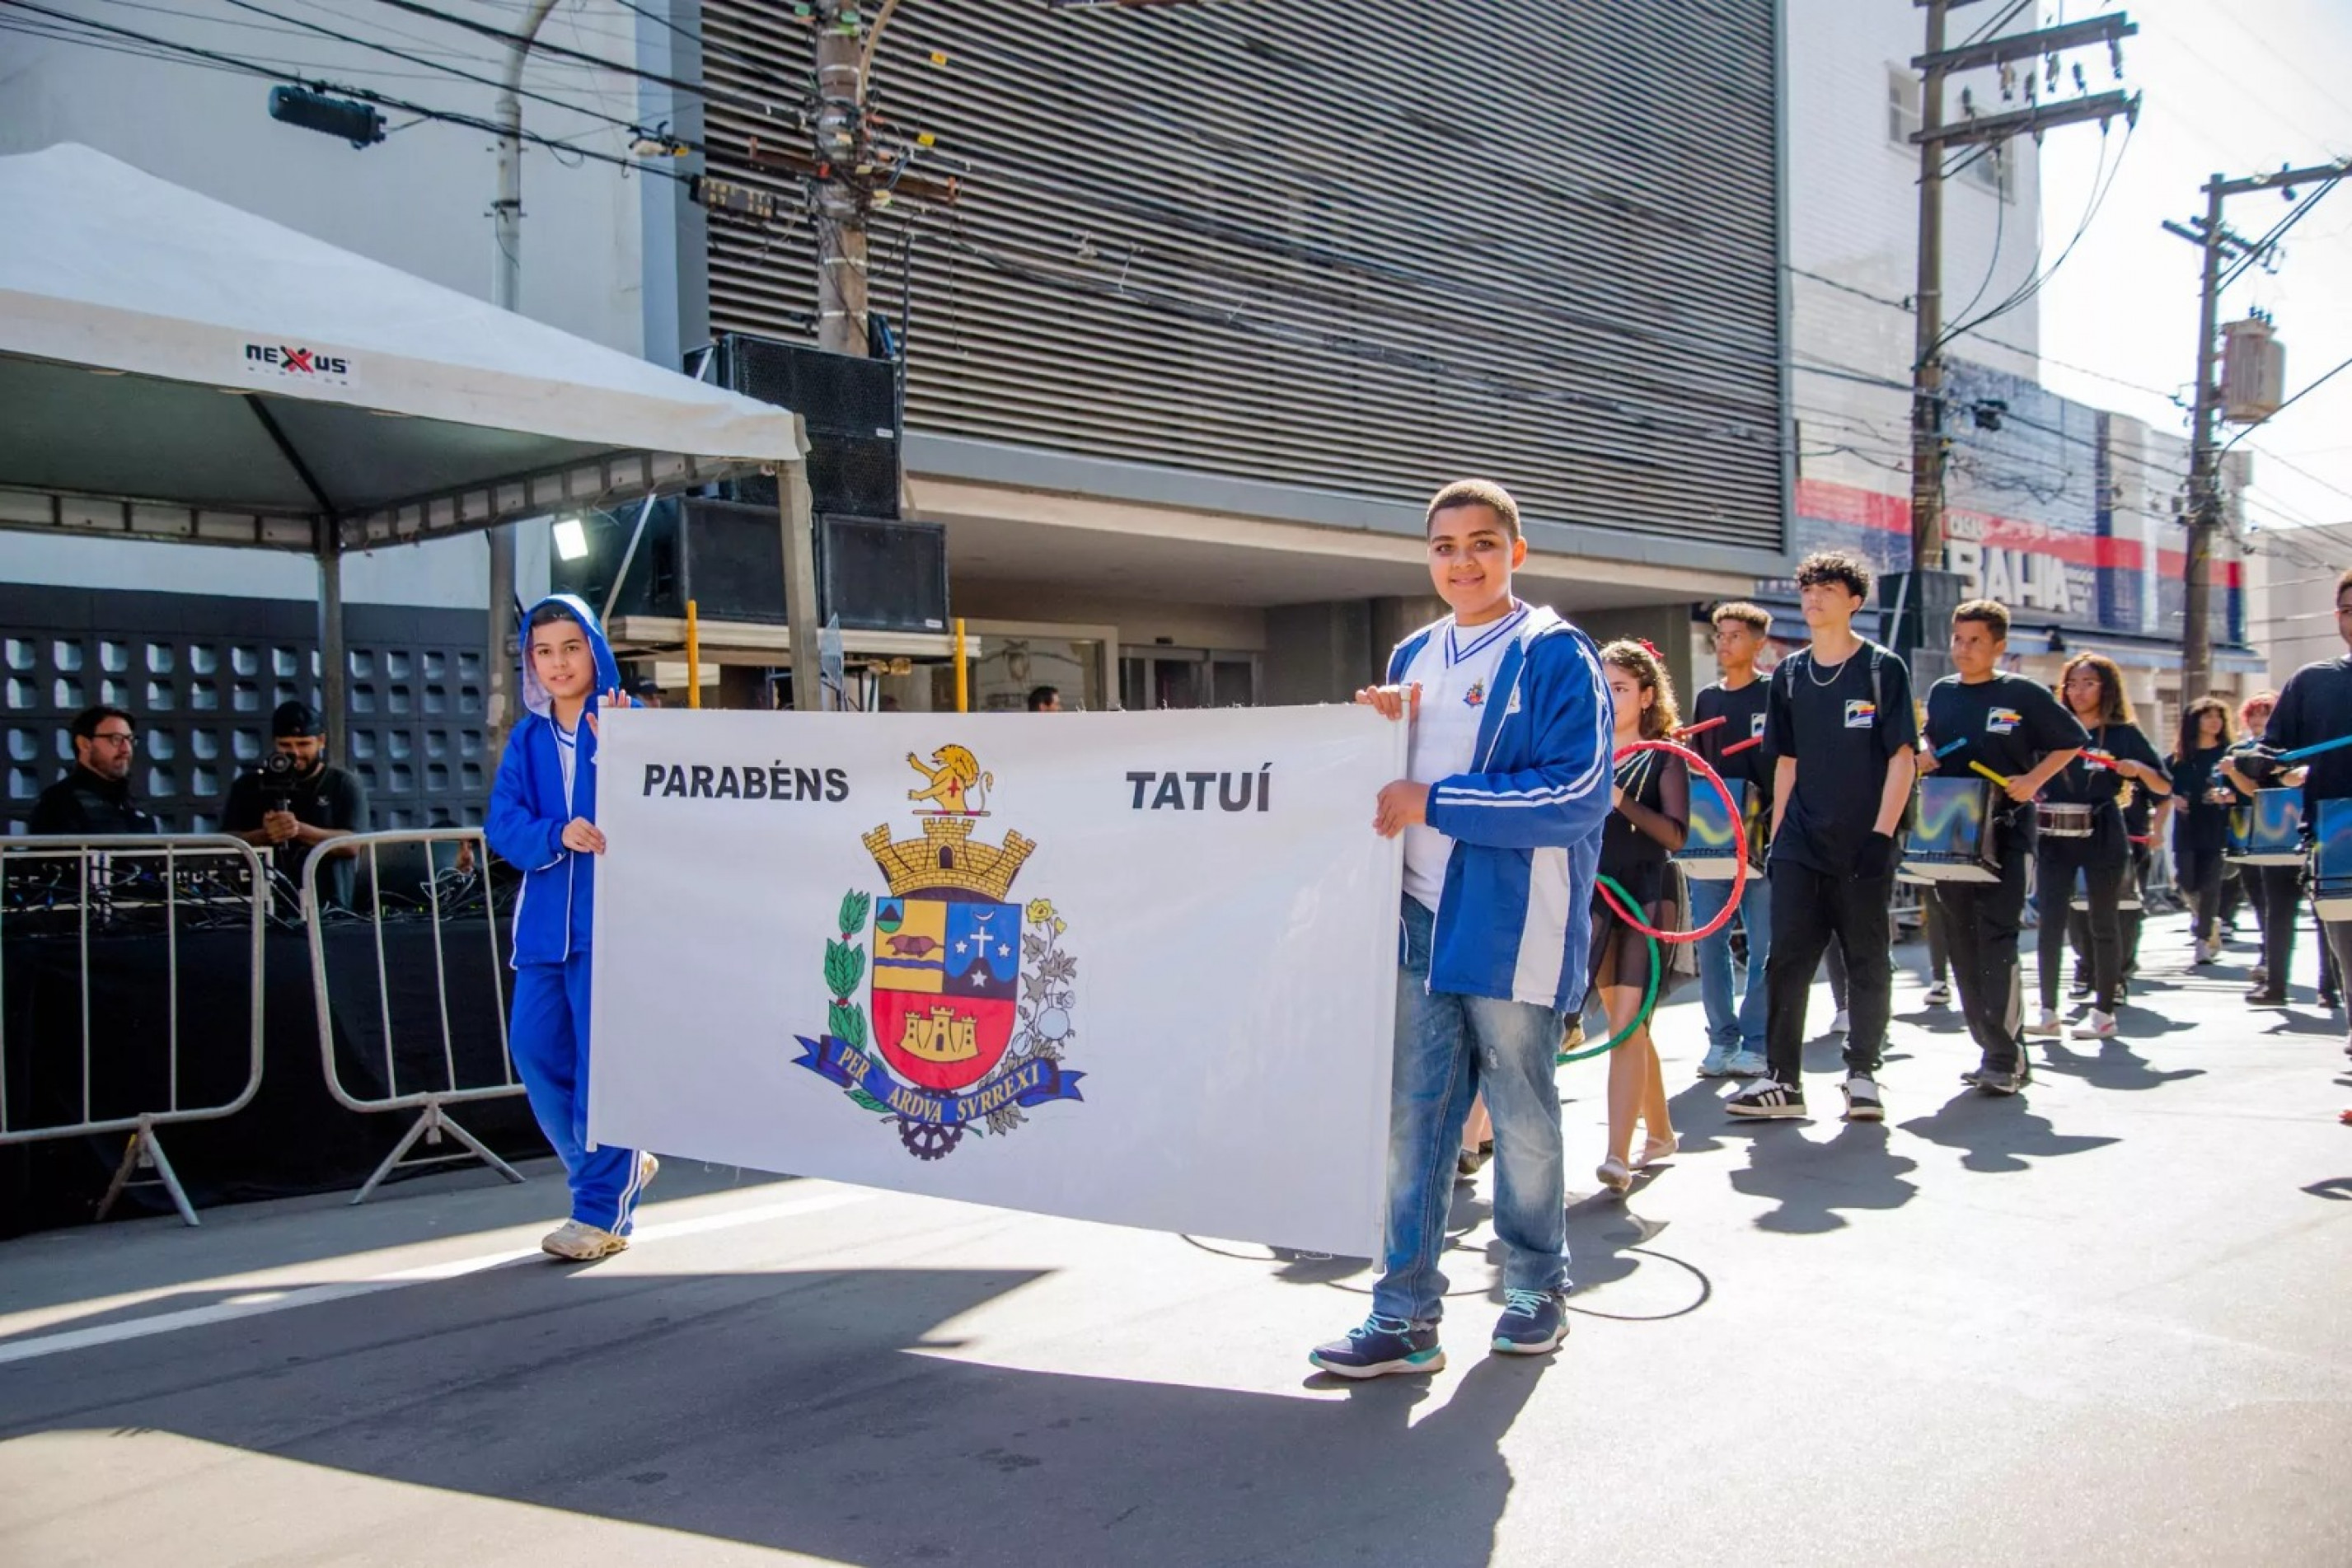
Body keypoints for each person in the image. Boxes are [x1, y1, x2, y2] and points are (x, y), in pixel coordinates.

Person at [1309, 479, 1611, 1378]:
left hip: (1512, 923)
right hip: (1414, 921)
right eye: (1443, 547)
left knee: (1520, 1113)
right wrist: (1372, 739)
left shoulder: (1555, 652)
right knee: (1414, 1123)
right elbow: (1380, 786)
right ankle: (1403, 1313)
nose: (1462, 561)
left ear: (1515, 551)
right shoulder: (1411, 654)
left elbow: (1576, 794)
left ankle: (1533, 1288)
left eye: (1481, 543)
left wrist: (1433, 798)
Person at [487, 595, 656, 1262]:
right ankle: (614, 1165)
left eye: (570, 647)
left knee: (603, 1071)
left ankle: (599, 1213)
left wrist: (622, 751)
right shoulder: (527, 737)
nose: (558, 663)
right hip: (543, 930)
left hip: (613, 925)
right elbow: (502, 823)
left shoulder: (631, 724)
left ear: (595, 649)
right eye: (543, 651)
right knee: (533, 1051)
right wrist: (556, 833)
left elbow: (660, 810)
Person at [1727, 550, 1919, 1121]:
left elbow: (1903, 759)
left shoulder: (1882, 669)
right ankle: (1782, 1081)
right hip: (1800, 845)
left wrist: (1882, 835)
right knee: (1784, 959)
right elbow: (1784, 762)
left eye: (1827, 588)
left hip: (1864, 842)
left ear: (1854, 601)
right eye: (1807, 588)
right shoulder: (1788, 674)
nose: (1813, 598)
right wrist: (1780, 833)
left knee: (1866, 959)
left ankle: (1862, 1073)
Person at [1918, 601, 2084, 1094]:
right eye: (1958, 639)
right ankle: (1991, 1047)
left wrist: (2033, 780)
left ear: (1998, 646)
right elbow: (1932, 744)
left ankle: (2006, 1054)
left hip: (2008, 831)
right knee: (1961, 944)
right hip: (1950, 831)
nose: (1963, 650)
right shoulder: (1942, 694)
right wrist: (1924, 758)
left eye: (1974, 641)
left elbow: (2070, 741)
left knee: (1997, 939)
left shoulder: (2023, 694)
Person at [2028, 654, 2166, 1044]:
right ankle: (2048, 1011)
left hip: (2104, 829)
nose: (2079, 691)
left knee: (2103, 921)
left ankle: (2104, 1011)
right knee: (2050, 921)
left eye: (2089, 682)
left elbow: (2162, 785)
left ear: (2107, 688)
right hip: (2055, 833)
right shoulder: (2053, 730)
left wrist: (2136, 769)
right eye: (2072, 683)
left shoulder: (2122, 733)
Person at [1591, 639, 1688, 1192]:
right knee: (1621, 1017)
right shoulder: (1585, 748)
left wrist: (1621, 800)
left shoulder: (1663, 755)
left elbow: (1675, 834)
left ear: (1647, 695)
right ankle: (1662, 1131)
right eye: (1603, 685)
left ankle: (1616, 1154)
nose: (1610, 696)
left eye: (1622, 686)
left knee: (1628, 1021)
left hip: (1649, 891)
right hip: (1595, 891)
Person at [2255, 568, 2352, 1060]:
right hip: (2337, 828)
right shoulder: (2312, 682)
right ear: (2338, 617)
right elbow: (2276, 755)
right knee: (2348, 946)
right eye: (2350, 610)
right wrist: (2271, 767)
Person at [1688, 601, 1775, 1078]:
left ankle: (1757, 1040)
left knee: (1763, 945)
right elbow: (1700, 768)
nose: (1724, 644)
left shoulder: (1774, 692)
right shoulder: (1707, 698)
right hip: (1713, 831)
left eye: (1735, 635)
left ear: (1759, 642)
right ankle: (1721, 1038)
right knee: (1709, 941)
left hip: (1764, 832)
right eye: (1719, 635)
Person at [222, 700, 368, 904]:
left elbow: (353, 844)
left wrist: (298, 830)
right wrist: (264, 835)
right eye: (286, 745)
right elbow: (226, 842)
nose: (295, 753)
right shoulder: (248, 786)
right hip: (265, 907)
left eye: (303, 744)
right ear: (275, 742)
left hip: (330, 907)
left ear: (321, 741)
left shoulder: (343, 783)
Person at [2223, 691, 2298, 1004]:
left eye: (2266, 714)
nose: (2259, 721)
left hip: (2292, 824)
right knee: (2264, 901)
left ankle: (2327, 983)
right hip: (2254, 830)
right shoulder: (2240, 751)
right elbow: (2246, 792)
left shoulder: (2291, 749)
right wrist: (2230, 777)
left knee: (2297, 905)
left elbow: (2262, 788)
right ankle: (2271, 968)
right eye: (2254, 715)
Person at [2169, 698, 2240, 965]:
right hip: (2186, 827)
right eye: (2207, 716)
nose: (2214, 722)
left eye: (2218, 717)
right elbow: (2160, 787)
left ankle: (2202, 939)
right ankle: (2207, 920)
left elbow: (2245, 792)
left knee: (2210, 883)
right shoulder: (2178, 759)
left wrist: (2228, 795)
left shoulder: (2229, 755)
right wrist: (2173, 798)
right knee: (2186, 881)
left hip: (2217, 826)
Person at [29, 704, 157, 835]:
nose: (126, 749)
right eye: (116, 739)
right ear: (84, 744)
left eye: (130, 740)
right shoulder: (56, 803)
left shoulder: (135, 801)